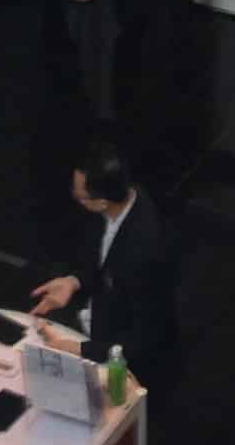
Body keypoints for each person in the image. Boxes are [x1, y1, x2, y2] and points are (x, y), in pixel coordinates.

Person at [29, 139, 180, 388]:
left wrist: (80, 349)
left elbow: (146, 337)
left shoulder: (146, 251)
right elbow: (98, 264)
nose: (75, 197)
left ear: (100, 202)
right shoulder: (114, 203)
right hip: (95, 315)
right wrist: (73, 281)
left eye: (79, 196)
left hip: (119, 353)